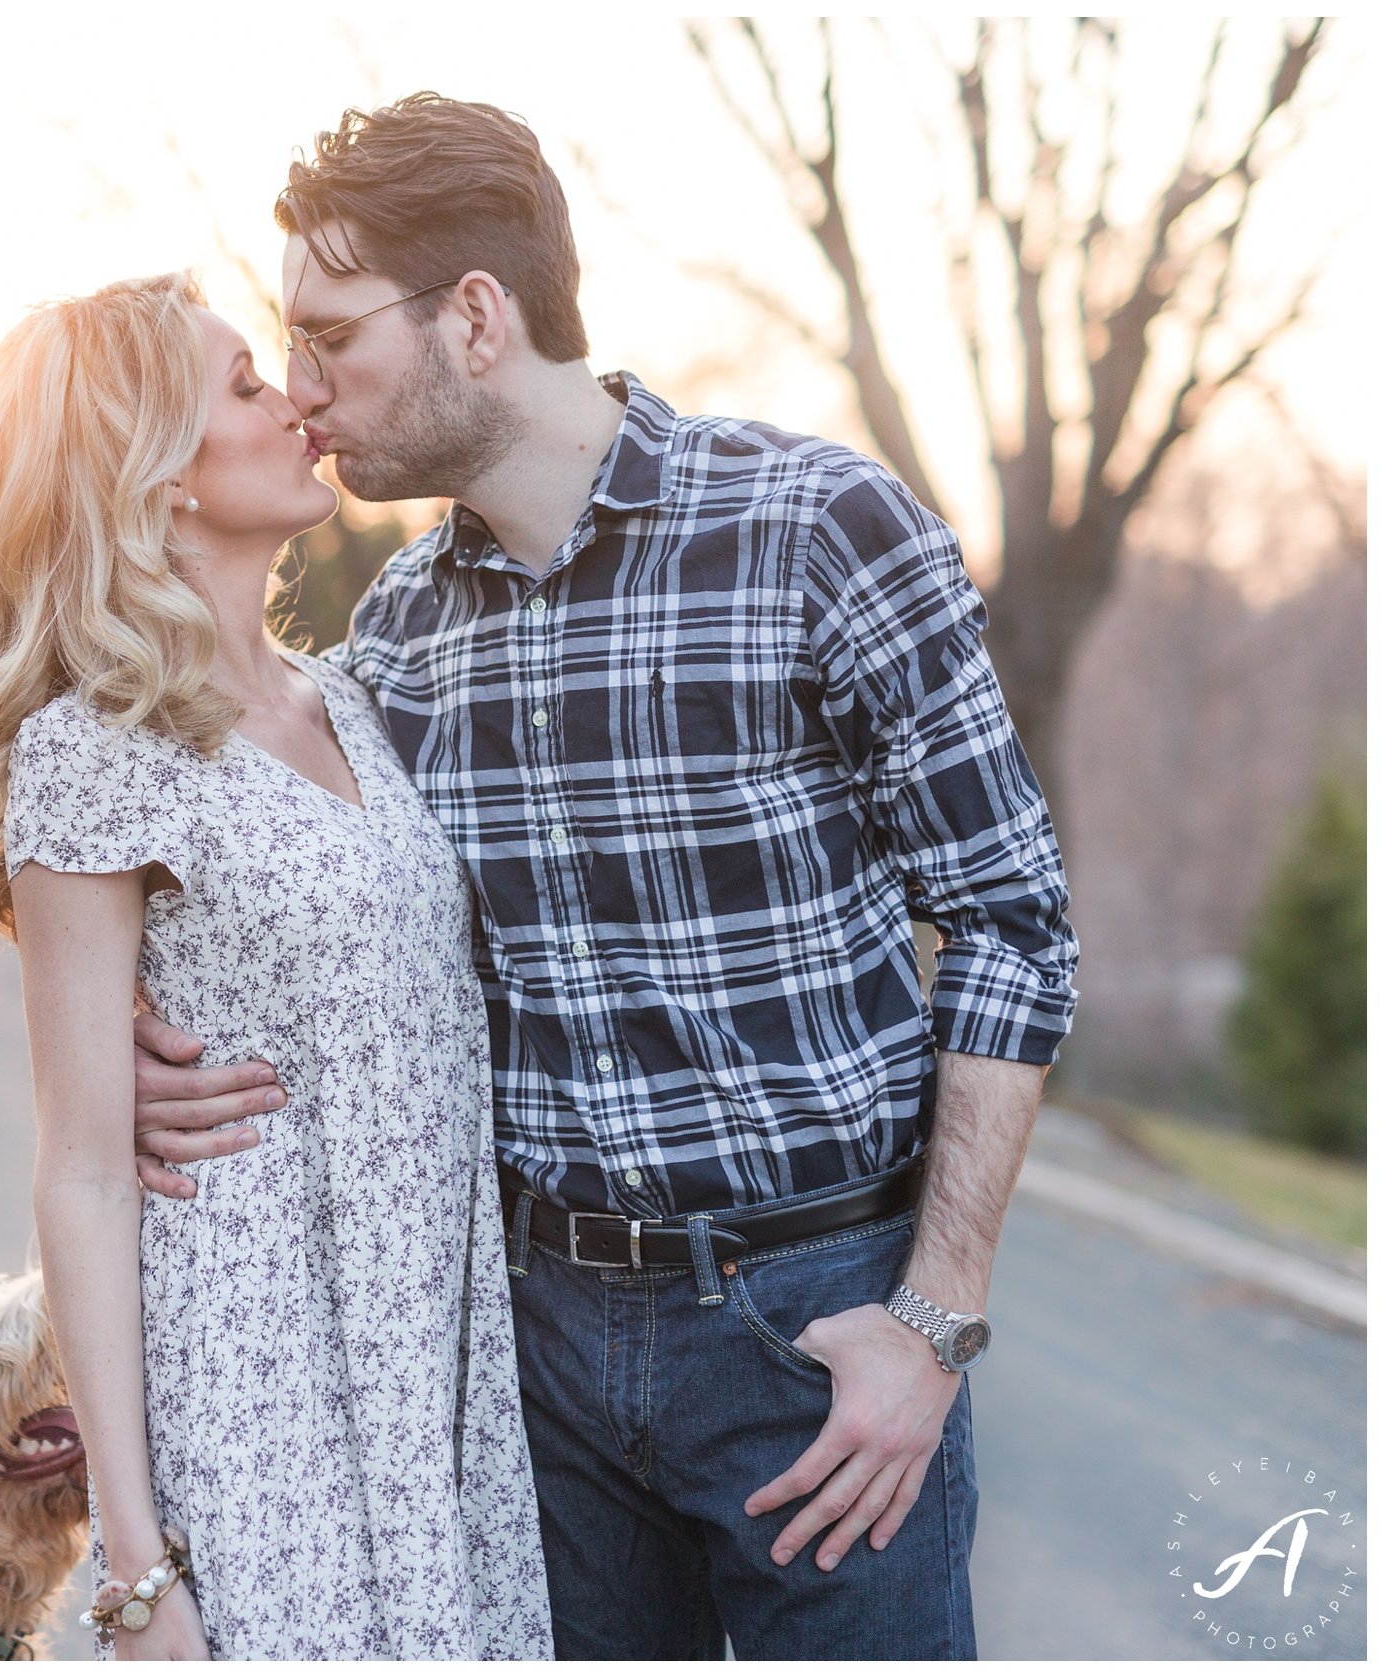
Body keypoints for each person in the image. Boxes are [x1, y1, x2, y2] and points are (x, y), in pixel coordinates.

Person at [124, 96, 1078, 1660]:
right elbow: (297, 909)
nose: (300, 394)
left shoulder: (819, 534)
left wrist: (935, 1321)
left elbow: (1012, 923)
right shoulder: (400, 652)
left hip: (818, 1334)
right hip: (533, 1357)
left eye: (328, 340)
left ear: (477, 319)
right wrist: (134, 1053)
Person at [0, 273, 557, 1660]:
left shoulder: (348, 693)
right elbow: (84, 1168)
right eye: (244, 385)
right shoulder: (95, 746)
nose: (296, 400)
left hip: (435, 1373)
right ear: (153, 475)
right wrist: (137, 1568)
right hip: (263, 1391)